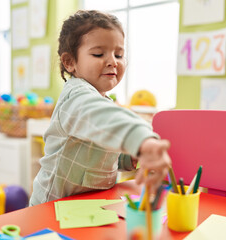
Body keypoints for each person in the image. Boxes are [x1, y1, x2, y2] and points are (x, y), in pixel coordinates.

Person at [29, 10, 171, 205]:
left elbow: (100, 153)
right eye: (98, 54)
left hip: (88, 207)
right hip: (51, 208)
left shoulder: (103, 101)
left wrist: (127, 158)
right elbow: (107, 119)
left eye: (119, 54)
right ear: (70, 62)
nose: (113, 61)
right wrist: (142, 141)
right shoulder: (76, 98)